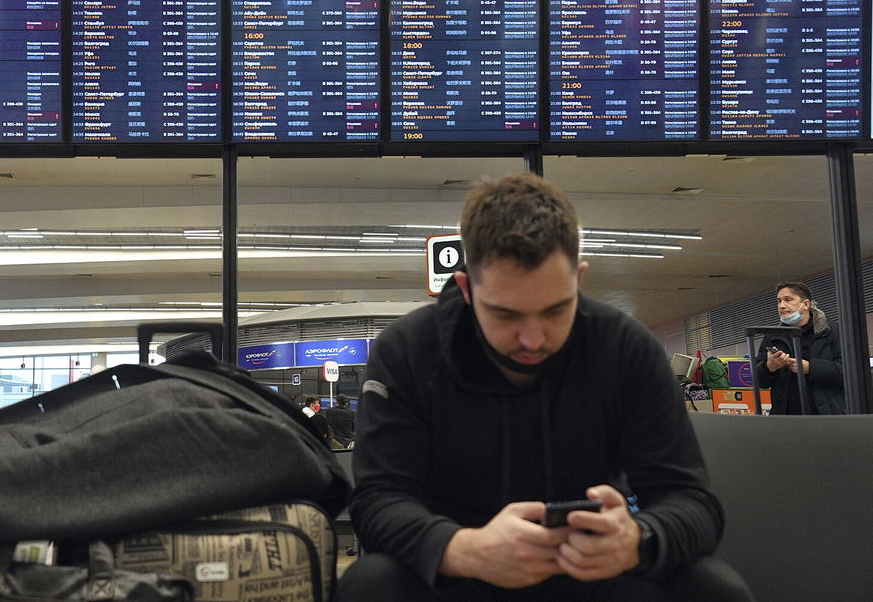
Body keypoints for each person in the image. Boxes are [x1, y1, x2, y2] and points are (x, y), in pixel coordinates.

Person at [337, 173, 752, 602]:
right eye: (506, 315)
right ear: (465, 288)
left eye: (556, 310)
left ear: (580, 279)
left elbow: (690, 500)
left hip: (589, 573)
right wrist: (461, 549)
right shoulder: (405, 352)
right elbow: (378, 500)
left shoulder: (627, 348)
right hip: (461, 570)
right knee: (371, 584)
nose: (533, 339)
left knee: (712, 587)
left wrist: (639, 540)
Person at [754, 282, 845, 415]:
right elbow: (759, 381)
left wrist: (810, 368)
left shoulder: (833, 331)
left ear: (806, 304)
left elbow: (850, 372)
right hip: (786, 420)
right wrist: (769, 368)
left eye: (788, 300)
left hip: (826, 417)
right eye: (779, 301)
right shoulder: (773, 336)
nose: (782, 306)